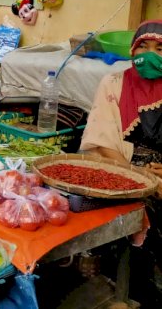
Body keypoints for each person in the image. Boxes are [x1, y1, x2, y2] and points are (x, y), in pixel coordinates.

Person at [80, 20, 162, 308]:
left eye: (159, 48)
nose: (151, 54)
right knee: (138, 212)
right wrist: (135, 174)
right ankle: (128, 285)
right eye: (143, 46)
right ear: (132, 49)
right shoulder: (113, 83)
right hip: (119, 167)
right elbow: (101, 139)